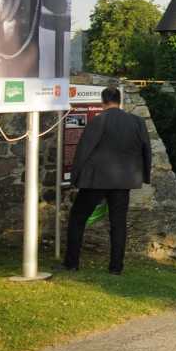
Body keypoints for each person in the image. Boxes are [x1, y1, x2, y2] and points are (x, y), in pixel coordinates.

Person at [64, 87, 151, 274]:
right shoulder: (137, 122)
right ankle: (116, 268)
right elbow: (146, 149)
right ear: (119, 100)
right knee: (118, 224)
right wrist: (144, 176)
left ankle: (72, 263)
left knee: (78, 218)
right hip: (124, 181)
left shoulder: (98, 121)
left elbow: (83, 151)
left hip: (96, 180)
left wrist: (75, 178)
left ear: (102, 101)